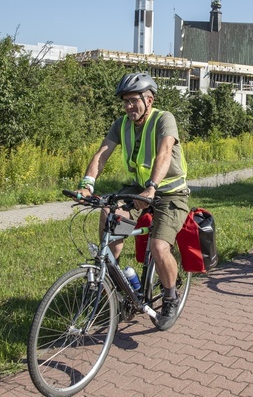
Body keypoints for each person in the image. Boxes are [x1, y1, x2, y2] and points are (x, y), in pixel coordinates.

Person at [76, 72, 189, 330]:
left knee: (159, 247)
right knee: (108, 212)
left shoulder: (164, 119)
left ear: (149, 100)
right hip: (138, 188)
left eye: (134, 100)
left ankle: (170, 298)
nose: (128, 106)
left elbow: (164, 153)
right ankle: (111, 283)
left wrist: (152, 187)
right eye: (125, 101)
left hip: (170, 193)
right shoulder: (121, 124)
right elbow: (101, 154)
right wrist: (86, 185)